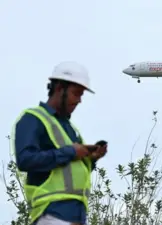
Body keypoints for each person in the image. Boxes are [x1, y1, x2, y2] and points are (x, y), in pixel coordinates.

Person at [11, 61, 108, 225]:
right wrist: (70, 152)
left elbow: (68, 173)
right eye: (76, 93)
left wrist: (91, 159)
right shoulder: (33, 118)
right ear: (59, 89)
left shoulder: (69, 128)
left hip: (75, 216)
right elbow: (25, 159)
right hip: (52, 213)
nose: (79, 100)